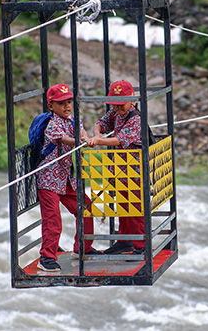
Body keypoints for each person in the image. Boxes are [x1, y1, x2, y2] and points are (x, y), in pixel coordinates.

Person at [36, 83, 100, 272]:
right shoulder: (52, 124)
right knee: (53, 220)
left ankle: (83, 249)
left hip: (65, 179)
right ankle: (46, 257)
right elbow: (64, 139)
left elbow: (80, 132)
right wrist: (82, 141)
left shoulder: (72, 120)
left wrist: (86, 136)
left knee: (86, 209)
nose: (66, 106)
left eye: (69, 102)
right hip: (48, 180)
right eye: (61, 103)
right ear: (51, 105)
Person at [87, 80, 145, 255]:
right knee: (122, 205)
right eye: (115, 104)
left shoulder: (136, 118)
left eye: (121, 105)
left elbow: (120, 140)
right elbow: (99, 123)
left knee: (135, 208)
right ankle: (124, 240)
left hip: (135, 170)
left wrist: (99, 141)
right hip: (119, 170)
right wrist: (97, 134)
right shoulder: (115, 113)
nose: (118, 108)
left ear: (132, 101)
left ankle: (141, 245)